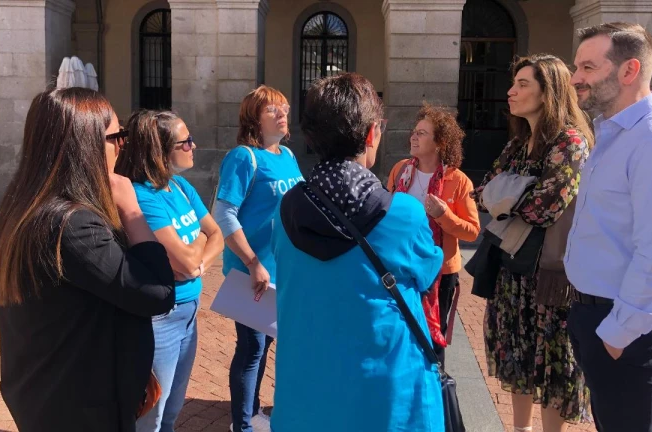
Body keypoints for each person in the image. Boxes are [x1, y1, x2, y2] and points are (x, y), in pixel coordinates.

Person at [0, 88, 175, 432]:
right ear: (85, 146)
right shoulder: (71, 225)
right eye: (116, 137)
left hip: (51, 394)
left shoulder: (29, 207)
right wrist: (131, 210)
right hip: (79, 407)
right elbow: (157, 292)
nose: (123, 146)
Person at [270, 73, 445, 432]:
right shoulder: (404, 214)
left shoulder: (286, 209)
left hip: (306, 391)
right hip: (390, 396)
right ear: (371, 134)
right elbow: (428, 272)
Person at [566, 22, 652, 432]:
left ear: (629, 70)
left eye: (588, 68)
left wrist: (618, 334)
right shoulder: (614, 134)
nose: (575, 79)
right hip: (596, 313)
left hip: (623, 322)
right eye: (577, 67)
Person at [471, 54, 594, 432]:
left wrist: (504, 196)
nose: (511, 91)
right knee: (518, 357)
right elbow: (481, 194)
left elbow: (547, 207)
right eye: (514, 83)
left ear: (548, 92)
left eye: (523, 84)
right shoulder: (518, 144)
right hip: (512, 268)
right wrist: (512, 194)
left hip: (549, 275)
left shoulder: (570, 142)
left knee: (553, 365)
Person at [115, 110, 224, 432]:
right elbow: (189, 259)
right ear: (159, 151)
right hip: (161, 319)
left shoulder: (180, 187)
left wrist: (195, 262)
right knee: (151, 416)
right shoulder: (142, 196)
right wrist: (198, 247)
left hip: (189, 313)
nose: (193, 146)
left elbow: (217, 235)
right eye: (185, 142)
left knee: (172, 412)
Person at [213, 85, 303, 432]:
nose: (282, 114)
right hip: (251, 272)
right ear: (254, 119)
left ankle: (250, 412)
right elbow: (224, 214)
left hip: (281, 271)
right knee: (251, 349)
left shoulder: (287, 156)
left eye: (284, 108)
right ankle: (242, 425)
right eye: (272, 109)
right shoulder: (243, 157)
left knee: (264, 346)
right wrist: (252, 262)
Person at [387, 104, 480, 368]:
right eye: (414, 132)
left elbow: (472, 231)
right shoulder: (400, 170)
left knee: (432, 338)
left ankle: (434, 384)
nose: (413, 137)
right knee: (401, 331)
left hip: (440, 272)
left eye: (422, 133)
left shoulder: (458, 181)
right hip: (401, 266)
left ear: (440, 143)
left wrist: (443, 215)